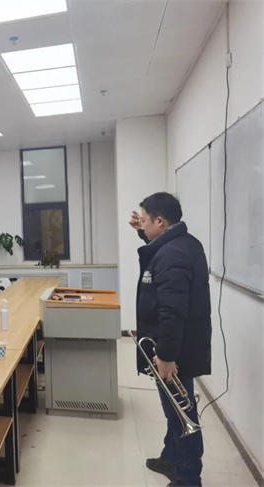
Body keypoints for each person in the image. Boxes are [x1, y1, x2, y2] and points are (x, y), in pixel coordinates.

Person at [131, 192, 211, 487]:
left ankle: (189, 479)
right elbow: (157, 246)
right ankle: (171, 459)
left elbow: (172, 311)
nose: (141, 223)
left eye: (145, 220)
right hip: (180, 345)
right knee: (174, 409)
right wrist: (142, 231)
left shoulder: (172, 255)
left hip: (175, 350)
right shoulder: (183, 243)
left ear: (161, 222)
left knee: (180, 414)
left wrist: (165, 355)